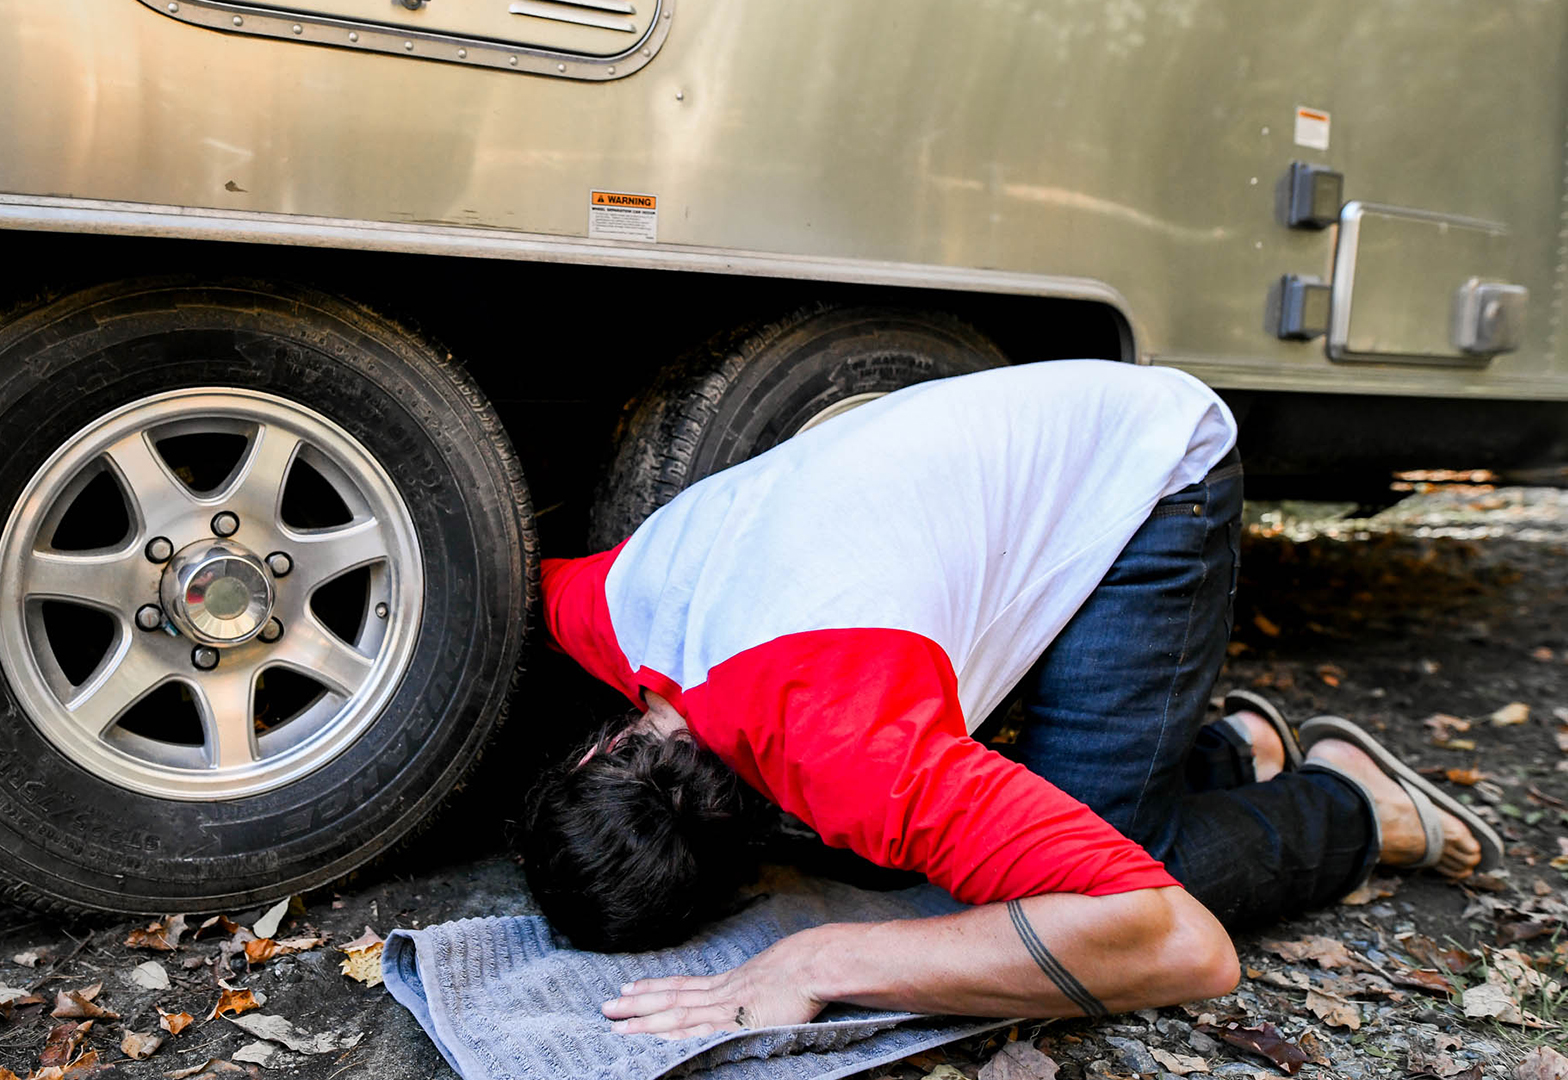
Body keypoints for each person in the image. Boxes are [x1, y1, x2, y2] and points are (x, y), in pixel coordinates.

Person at [520, 359, 1501, 1039]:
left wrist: (815, 962)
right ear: (596, 751)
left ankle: (1352, 803)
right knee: (995, 843)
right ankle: (1236, 754)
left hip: (1153, 464)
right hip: (1040, 431)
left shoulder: (849, 752)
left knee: (1109, 883)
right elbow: (523, 579)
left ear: (746, 863)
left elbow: (1179, 947)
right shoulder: (607, 607)